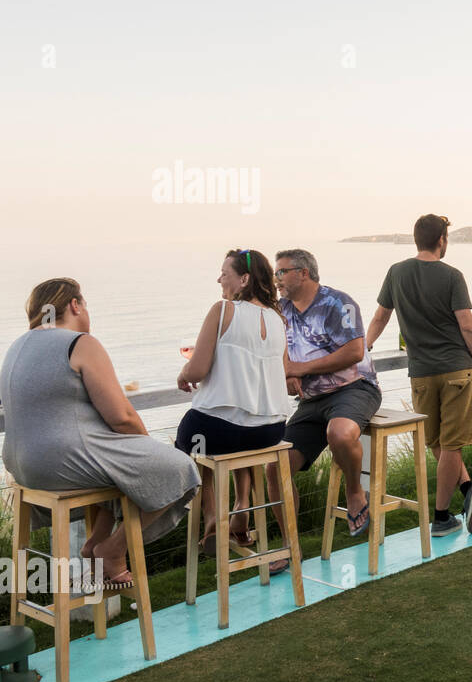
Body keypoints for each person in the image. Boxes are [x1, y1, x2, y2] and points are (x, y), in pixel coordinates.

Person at [0, 279, 199, 588]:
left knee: (121, 470)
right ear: (75, 305)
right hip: (63, 464)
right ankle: (113, 550)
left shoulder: (16, 347)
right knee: (180, 469)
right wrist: (148, 449)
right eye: (86, 304)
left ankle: (94, 543)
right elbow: (122, 417)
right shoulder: (79, 342)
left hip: (22, 468)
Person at [366, 215, 472, 537]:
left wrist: (364, 347)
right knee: (450, 445)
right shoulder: (452, 275)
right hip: (457, 371)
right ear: (441, 240)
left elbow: (381, 316)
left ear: (416, 239)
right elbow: (467, 325)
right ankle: (440, 517)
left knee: (437, 442)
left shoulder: (396, 273)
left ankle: (468, 493)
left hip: (421, 374)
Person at [175, 249, 293, 556]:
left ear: (243, 279)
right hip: (269, 431)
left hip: (219, 431)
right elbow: (278, 370)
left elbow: (198, 370)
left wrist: (184, 374)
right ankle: (241, 507)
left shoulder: (223, 309)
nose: (219, 279)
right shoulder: (278, 320)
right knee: (238, 427)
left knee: (194, 439)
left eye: (224, 274)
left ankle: (213, 516)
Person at [267, 249, 381, 554]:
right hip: (312, 400)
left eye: (281, 272)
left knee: (339, 433)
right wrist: (289, 372)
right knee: (276, 467)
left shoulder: (336, 303)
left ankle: (355, 492)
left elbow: (355, 351)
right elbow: (281, 348)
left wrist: (299, 369)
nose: (276, 279)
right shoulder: (281, 310)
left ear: (303, 273)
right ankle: (290, 546)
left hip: (354, 388)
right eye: (275, 273)